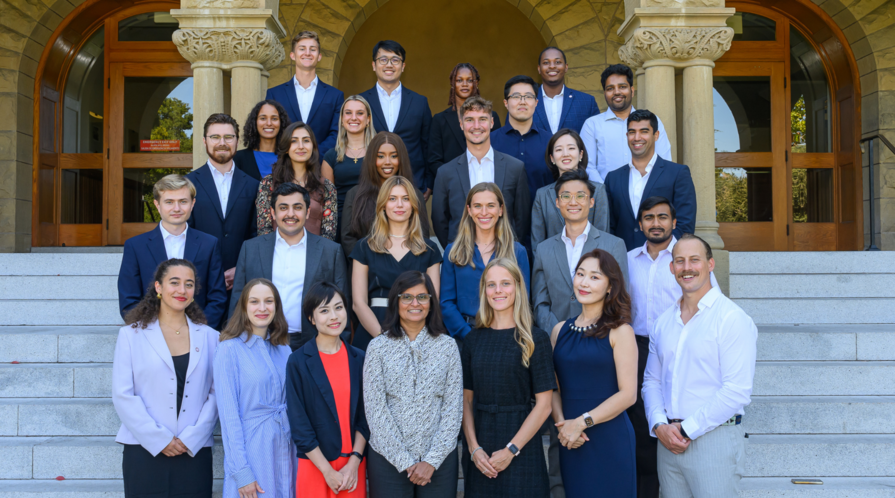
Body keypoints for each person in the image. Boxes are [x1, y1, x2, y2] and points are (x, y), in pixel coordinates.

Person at [643, 234, 757, 498]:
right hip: (668, 442)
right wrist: (659, 425)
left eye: (695, 260)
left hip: (713, 439)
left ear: (710, 264)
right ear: (671, 268)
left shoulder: (731, 319)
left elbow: (736, 391)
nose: (687, 267)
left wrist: (685, 430)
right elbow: (652, 381)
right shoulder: (663, 322)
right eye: (679, 261)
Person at [625, 196, 719, 498]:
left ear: (674, 222)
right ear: (640, 224)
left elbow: (710, 305)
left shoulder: (688, 260)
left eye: (662, 217)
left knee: (676, 415)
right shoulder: (627, 259)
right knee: (643, 426)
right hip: (636, 350)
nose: (656, 223)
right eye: (649, 217)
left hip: (681, 349)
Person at [112, 259, 219, 498]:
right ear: (158, 287)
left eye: (189, 284)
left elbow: (215, 394)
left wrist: (192, 437)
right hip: (144, 449)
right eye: (174, 282)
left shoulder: (212, 337)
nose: (182, 290)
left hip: (193, 449)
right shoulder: (131, 335)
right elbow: (122, 394)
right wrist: (160, 439)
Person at [363, 271, 462, 497]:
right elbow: (376, 410)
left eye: (422, 297)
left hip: (438, 461)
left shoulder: (448, 347)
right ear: (395, 302)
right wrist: (405, 461)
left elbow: (453, 409)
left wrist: (431, 460)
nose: (415, 303)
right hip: (388, 459)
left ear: (431, 302)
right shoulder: (378, 347)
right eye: (406, 297)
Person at [462, 258, 555, 497]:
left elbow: (544, 406)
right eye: (491, 285)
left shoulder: (536, 339)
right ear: (484, 291)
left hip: (522, 445)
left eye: (505, 283)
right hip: (480, 446)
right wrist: (473, 448)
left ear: (518, 287)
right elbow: (466, 401)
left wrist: (511, 449)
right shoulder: (473, 340)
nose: (498, 290)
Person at [550, 248, 638, 497]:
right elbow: (554, 388)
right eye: (580, 274)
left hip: (609, 438)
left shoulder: (621, 331)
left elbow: (628, 394)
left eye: (595, 277)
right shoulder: (559, 331)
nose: (584, 283)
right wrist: (563, 427)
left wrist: (581, 423)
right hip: (572, 440)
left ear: (610, 286)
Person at [231, 182, 348, 351]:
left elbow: (342, 304)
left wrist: (339, 348)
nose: (290, 214)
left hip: (312, 344)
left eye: (297, 207)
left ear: (307, 212)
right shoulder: (251, 249)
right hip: (259, 341)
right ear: (273, 212)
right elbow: (238, 301)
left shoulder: (330, 251)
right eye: (283, 207)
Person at [286, 282, 369, 497]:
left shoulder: (359, 359)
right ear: (312, 318)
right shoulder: (298, 361)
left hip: (352, 468)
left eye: (338, 307)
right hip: (315, 466)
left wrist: (354, 462)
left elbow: (366, 416)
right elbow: (299, 423)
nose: (334, 316)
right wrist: (327, 471)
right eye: (324, 310)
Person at [215, 278, 295, 498]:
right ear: (243, 307)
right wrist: (241, 472)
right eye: (254, 301)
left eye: (269, 301)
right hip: (253, 449)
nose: (262, 308)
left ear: (276, 307)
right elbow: (229, 417)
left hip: (285, 445)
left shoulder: (284, 349)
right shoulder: (228, 350)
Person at [118, 175, 227, 328]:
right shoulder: (135, 246)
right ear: (157, 204)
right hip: (151, 335)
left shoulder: (209, 244)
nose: (177, 208)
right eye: (169, 202)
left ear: (192, 203)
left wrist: (198, 329)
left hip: (197, 333)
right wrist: (153, 330)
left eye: (183, 201)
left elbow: (217, 297)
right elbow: (128, 299)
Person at [350, 175, 442, 351]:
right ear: (383, 205)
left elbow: (433, 300)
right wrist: (384, 341)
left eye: (405, 199)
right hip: (373, 333)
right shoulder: (364, 247)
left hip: (417, 336)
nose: (399, 205)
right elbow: (358, 303)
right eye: (392, 199)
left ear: (413, 205)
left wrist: (412, 340)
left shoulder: (430, 249)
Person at [533, 168, 629, 333]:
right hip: (555, 341)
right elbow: (540, 302)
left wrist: (600, 333)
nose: (573, 202)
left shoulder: (614, 245)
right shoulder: (544, 249)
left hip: (599, 339)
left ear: (591, 202)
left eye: (580, 196)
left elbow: (620, 299)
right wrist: (556, 332)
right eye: (565, 196)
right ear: (557, 202)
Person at [186, 113, 259, 322]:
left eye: (228, 137)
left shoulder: (254, 185)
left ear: (237, 141)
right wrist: (211, 271)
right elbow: (185, 233)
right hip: (199, 284)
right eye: (215, 137)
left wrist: (241, 267)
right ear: (204, 141)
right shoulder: (188, 184)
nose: (222, 143)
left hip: (242, 284)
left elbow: (256, 234)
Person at [432, 96, 531, 249]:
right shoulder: (445, 173)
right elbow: (440, 221)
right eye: (470, 120)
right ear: (461, 124)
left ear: (492, 123)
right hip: (461, 258)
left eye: (482, 119)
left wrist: (509, 249)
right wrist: (457, 250)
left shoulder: (515, 168)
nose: (476, 126)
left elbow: (522, 219)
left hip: (504, 257)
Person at [440, 182, 530, 342]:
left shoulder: (517, 252)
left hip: (507, 337)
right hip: (465, 337)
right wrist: (468, 336)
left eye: (490, 205)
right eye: (477, 206)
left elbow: (523, 301)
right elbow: (447, 303)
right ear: (469, 210)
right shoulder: (453, 252)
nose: (484, 212)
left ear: (501, 210)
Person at [604, 109, 696, 250]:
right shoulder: (613, 178)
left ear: (656, 135)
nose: (637, 137)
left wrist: (663, 254)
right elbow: (608, 225)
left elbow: (685, 224)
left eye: (644, 131)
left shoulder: (678, 173)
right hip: (622, 262)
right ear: (627, 135)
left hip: (664, 262)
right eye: (632, 132)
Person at [359, 40, 433, 194]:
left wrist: (428, 183)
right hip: (372, 185)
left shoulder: (420, 102)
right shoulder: (361, 102)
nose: (389, 65)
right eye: (383, 60)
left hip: (413, 183)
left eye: (395, 60)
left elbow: (427, 145)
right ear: (374, 65)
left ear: (403, 66)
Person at [341, 131, 430, 258]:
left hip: (407, 270)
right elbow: (347, 238)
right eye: (380, 156)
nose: (387, 162)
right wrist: (368, 264)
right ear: (372, 159)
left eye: (394, 156)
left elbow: (423, 237)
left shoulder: (415, 195)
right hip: (366, 271)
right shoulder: (354, 195)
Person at [581, 64, 672, 183]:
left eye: (622, 86)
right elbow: (588, 167)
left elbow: (664, 161)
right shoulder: (592, 125)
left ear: (632, 91)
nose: (616, 92)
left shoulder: (653, 121)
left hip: (648, 196)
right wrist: (606, 193)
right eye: (610, 88)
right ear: (604, 94)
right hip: (607, 196)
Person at [256, 122, 338, 241]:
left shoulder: (326, 187)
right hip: (276, 255)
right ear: (285, 148)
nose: (301, 146)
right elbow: (264, 231)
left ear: (313, 147)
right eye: (294, 141)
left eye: (306, 140)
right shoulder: (268, 183)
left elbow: (329, 236)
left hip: (314, 256)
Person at [531, 128, 609, 253]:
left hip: (590, 265)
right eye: (559, 149)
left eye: (571, 148)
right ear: (552, 158)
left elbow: (603, 236)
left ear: (581, 154)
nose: (565, 154)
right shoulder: (542, 195)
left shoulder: (598, 191)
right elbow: (537, 245)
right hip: (553, 268)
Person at [265, 31, 343, 155]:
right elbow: (271, 130)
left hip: (321, 164)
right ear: (292, 55)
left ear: (319, 56)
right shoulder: (274, 94)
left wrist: (314, 154)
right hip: (284, 164)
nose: (307, 53)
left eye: (312, 49)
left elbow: (336, 133)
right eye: (302, 49)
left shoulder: (335, 96)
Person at [428, 63, 501, 178]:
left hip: (486, 180)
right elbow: (434, 160)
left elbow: (497, 152)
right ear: (452, 83)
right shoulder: (439, 120)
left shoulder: (492, 117)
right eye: (459, 80)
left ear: (476, 83)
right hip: (452, 184)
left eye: (469, 80)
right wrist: (453, 179)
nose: (464, 84)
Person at [321, 95, 377, 240]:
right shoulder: (330, 156)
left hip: (375, 221)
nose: (354, 118)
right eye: (348, 113)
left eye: (359, 113)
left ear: (368, 119)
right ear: (342, 119)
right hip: (340, 222)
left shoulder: (379, 153)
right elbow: (328, 199)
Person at [490, 75, 553, 200]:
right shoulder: (490, 141)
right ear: (506, 103)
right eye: (516, 96)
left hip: (542, 216)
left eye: (528, 96)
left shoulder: (551, 141)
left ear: (536, 103)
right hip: (501, 217)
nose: (522, 101)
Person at [533, 47, 600, 135]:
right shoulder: (525, 101)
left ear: (566, 67)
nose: (552, 66)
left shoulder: (587, 102)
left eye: (558, 62)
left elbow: (597, 138)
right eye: (546, 62)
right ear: (539, 68)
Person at [233, 99, 291, 181]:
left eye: (274, 118)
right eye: (263, 118)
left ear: (281, 122)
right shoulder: (238, 159)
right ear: (255, 122)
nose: (269, 123)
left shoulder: (290, 158)